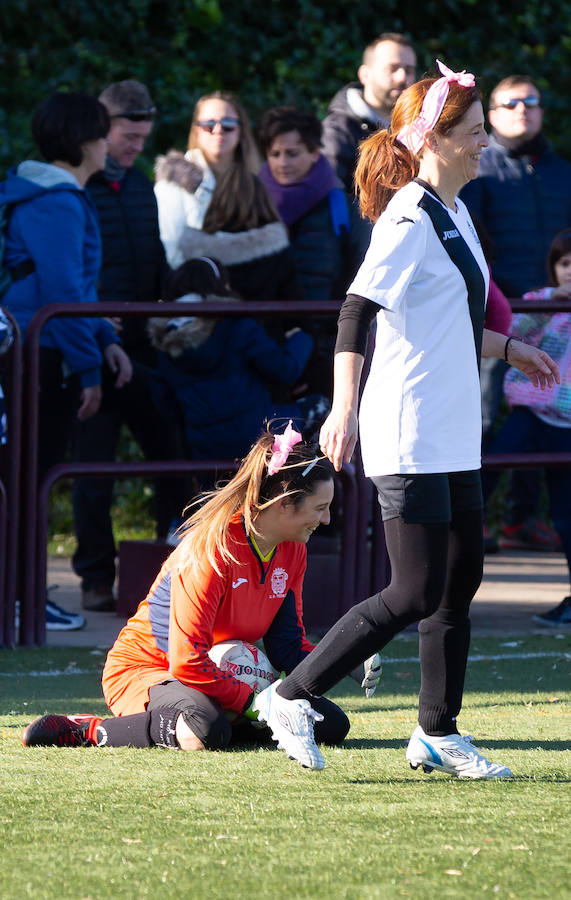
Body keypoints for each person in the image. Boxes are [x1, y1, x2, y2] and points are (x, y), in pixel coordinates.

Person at [249, 62, 560, 776]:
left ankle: (436, 731)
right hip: (406, 426)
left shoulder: (455, 213)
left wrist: (511, 349)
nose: (485, 142)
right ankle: (290, 696)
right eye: (475, 131)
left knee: (460, 580)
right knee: (414, 589)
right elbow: (357, 313)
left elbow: (446, 322)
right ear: (435, 140)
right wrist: (343, 411)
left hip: (451, 427)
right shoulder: (409, 216)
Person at [22, 424, 360, 754]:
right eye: (320, 508)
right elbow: (186, 662)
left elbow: (286, 645)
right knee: (206, 729)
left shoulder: (293, 550)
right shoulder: (212, 549)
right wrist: (256, 703)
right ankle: (89, 730)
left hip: (214, 678)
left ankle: (231, 724)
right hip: (150, 669)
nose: (328, 519)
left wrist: (346, 660)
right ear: (284, 504)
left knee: (330, 725)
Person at [0, 92, 132, 631]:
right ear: (83, 141)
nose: (109, 144)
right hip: (38, 353)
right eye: (103, 134)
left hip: (40, 345)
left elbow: (72, 290)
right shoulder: (55, 200)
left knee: (27, 474)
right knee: (30, 475)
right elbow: (60, 295)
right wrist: (88, 368)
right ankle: (20, 595)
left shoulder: (45, 192)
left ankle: (21, 591)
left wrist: (103, 339)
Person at [73, 80, 180, 614]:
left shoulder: (139, 186)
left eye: (143, 137)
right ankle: (94, 579)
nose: (135, 147)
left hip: (145, 345)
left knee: (172, 451)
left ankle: (173, 569)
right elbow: (74, 269)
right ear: (100, 129)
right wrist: (95, 321)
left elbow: (154, 258)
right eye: (126, 137)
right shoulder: (78, 188)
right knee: (93, 466)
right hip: (94, 343)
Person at [461, 74, 571, 553]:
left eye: (532, 101)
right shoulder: (479, 168)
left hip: (561, 321)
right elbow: (474, 246)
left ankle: (521, 519)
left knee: (549, 418)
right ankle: (472, 521)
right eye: (511, 102)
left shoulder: (562, 172)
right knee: (486, 420)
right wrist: (497, 308)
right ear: (493, 113)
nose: (523, 109)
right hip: (501, 317)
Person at [147, 257, 327, 470]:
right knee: (322, 408)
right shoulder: (236, 326)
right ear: (220, 286)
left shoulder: (166, 342)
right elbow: (285, 370)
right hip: (257, 436)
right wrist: (300, 338)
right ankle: (314, 492)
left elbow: (167, 405)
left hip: (204, 449)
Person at [484, 228, 571, 628]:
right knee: (487, 467)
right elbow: (513, 335)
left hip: (567, 427)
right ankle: (464, 533)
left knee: (565, 513)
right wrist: (549, 305)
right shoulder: (538, 302)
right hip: (529, 412)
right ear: (554, 268)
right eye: (565, 264)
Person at [154, 91, 300, 302]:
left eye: (228, 124)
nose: (218, 130)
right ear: (196, 130)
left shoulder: (255, 181)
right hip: (191, 298)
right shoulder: (174, 181)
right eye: (209, 124)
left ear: (241, 131)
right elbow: (170, 252)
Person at [258, 105, 351, 397]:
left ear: (314, 152)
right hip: (266, 352)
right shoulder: (252, 203)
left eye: (292, 153)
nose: (282, 162)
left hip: (326, 352)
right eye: (275, 154)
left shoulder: (341, 206)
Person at [322, 33, 417, 273]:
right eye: (392, 68)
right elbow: (332, 202)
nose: (403, 77)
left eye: (409, 69)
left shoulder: (422, 129)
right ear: (365, 74)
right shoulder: (338, 131)